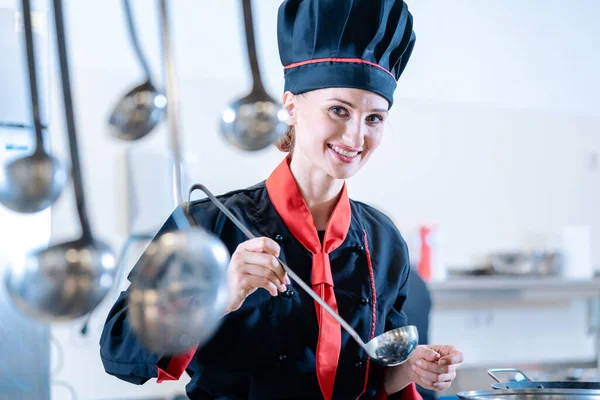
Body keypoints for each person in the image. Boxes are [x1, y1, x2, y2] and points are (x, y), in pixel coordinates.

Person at [99, 0, 464, 399]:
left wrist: (410, 370)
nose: (356, 137)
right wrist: (220, 294)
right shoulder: (206, 222)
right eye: (338, 110)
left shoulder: (384, 239)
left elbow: (371, 379)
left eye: (374, 118)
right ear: (291, 107)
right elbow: (118, 348)